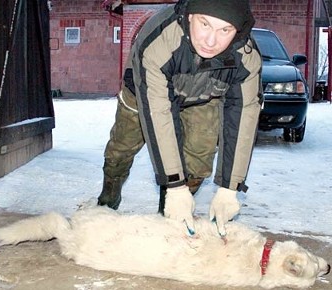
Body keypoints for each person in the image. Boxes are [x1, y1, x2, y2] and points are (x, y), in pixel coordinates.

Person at [97, 0, 262, 236]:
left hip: (203, 97)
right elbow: (160, 114)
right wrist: (174, 184)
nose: (211, 40)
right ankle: (107, 201)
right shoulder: (160, 40)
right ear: (190, 16)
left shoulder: (245, 57)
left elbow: (243, 115)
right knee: (121, 150)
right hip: (145, 95)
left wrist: (230, 188)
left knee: (198, 160)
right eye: (205, 24)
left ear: (238, 31)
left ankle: (169, 220)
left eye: (224, 30)